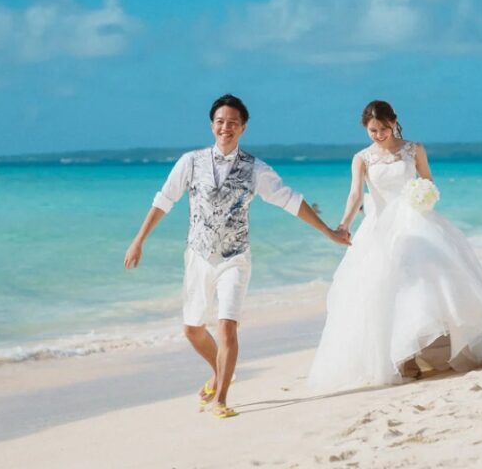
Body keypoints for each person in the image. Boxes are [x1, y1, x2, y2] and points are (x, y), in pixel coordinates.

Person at [124, 94, 349, 418]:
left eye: (232, 123)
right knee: (192, 329)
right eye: (220, 122)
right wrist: (138, 240)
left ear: (243, 127)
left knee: (227, 326)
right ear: (212, 125)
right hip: (199, 256)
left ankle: (221, 400)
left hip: (235, 258)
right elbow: (164, 200)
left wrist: (328, 232)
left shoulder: (255, 168)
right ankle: (219, 373)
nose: (225, 128)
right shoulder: (190, 162)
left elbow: (290, 200)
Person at [308, 100, 482, 392]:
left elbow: (428, 182)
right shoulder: (362, 158)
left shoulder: (414, 149)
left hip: (416, 223)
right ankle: (402, 360)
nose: (379, 135)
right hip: (380, 229)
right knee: (384, 289)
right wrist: (344, 224)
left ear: (394, 122)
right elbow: (355, 195)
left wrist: (422, 196)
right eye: (373, 130)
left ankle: (433, 350)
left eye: (383, 128)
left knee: (426, 287)